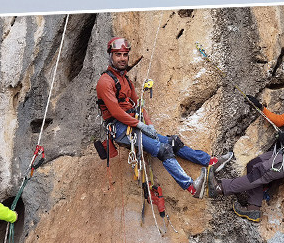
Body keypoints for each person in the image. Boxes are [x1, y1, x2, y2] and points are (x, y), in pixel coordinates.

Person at [193, 71, 284, 222]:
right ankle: (253, 209)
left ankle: (219, 188)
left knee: (263, 172)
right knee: (253, 164)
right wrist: (260, 108)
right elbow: (281, 120)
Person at [96, 36, 230, 194]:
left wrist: (149, 123)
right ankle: (192, 188)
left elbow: (139, 104)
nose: (123, 58)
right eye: (118, 54)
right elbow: (116, 112)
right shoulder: (105, 82)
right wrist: (141, 125)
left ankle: (210, 161)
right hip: (120, 129)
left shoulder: (125, 80)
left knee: (173, 143)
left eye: (125, 55)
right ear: (110, 55)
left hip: (132, 124)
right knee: (163, 150)